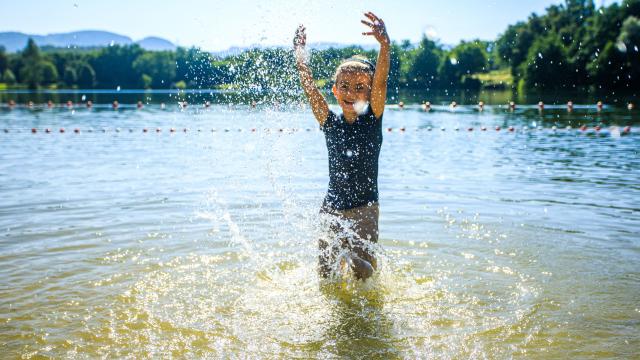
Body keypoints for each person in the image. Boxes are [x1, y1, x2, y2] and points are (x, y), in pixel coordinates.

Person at [293, 12, 390, 280]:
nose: (350, 92)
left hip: (365, 210)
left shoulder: (373, 120)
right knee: (326, 274)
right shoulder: (329, 122)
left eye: (360, 87)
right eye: (344, 86)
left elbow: (381, 81)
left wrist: (384, 46)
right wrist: (300, 54)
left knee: (363, 271)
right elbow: (309, 88)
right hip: (332, 209)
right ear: (334, 91)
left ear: (370, 94)